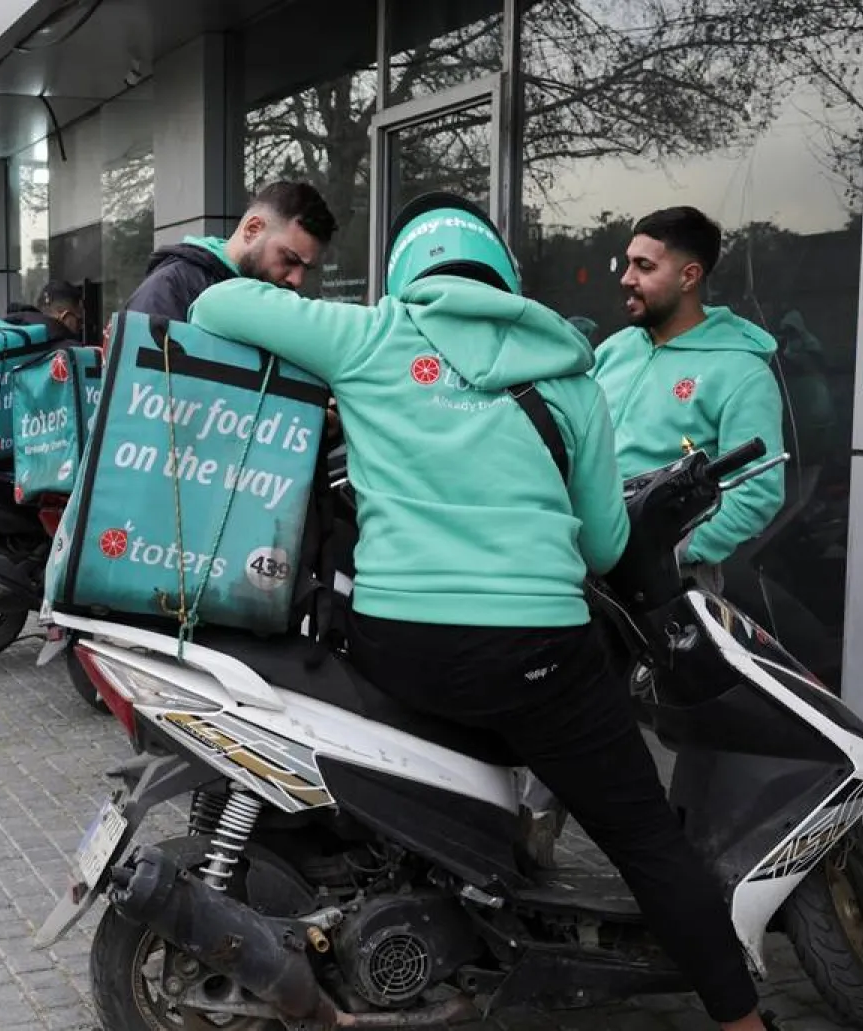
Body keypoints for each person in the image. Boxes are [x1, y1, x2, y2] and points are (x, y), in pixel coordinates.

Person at [187, 193, 769, 1031]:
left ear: (406, 272)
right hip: (538, 658)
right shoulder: (571, 374)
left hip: (402, 652)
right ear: (503, 271)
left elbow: (215, 303)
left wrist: (253, 251)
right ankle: (742, 1020)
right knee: (646, 839)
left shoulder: (370, 335)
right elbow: (607, 544)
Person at [593, 207, 784, 588]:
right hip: (584, 564)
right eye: (628, 263)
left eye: (644, 266)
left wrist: (674, 549)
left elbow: (757, 491)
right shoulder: (614, 350)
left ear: (689, 276)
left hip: (668, 581)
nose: (627, 278)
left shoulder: (741, 372)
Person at [123, 180, 339, 321]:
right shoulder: (170, 288)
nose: (297, 280)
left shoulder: (277, 305)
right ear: (253, 230)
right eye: (290, 259)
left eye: (306, 269)